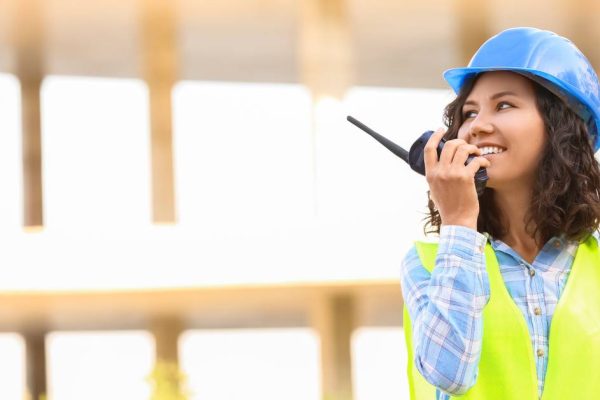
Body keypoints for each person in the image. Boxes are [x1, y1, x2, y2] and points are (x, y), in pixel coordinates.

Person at [400, 27, 600, 400]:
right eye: (469, 112)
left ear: (562, 128)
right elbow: (450, 374)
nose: (477, 126)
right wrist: (459, 222)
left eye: (504, 105)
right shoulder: (425, 265)